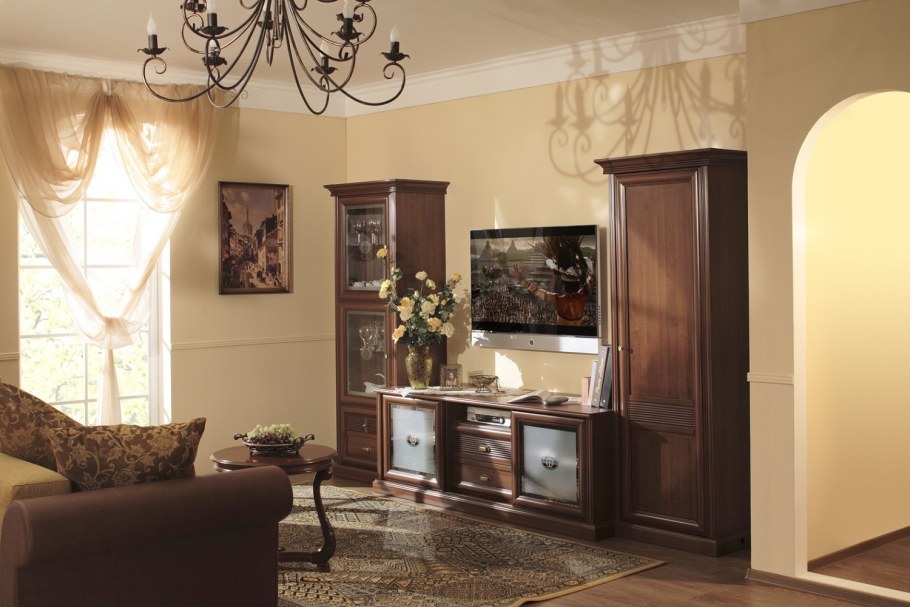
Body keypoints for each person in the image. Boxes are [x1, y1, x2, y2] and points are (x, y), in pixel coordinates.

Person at [513, 265, 589, 326]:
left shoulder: (560, 300)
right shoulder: (583, 295)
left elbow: (535, 290)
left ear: (564, 285)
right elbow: (590, 280)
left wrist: (520, 279)